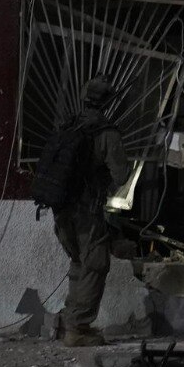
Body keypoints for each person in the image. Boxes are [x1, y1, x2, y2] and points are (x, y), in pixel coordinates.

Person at [51, 77, 130, 347]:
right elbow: (121, 175)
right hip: (86, 211)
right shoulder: (106, 133)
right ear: (108, 103)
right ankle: (78, 327)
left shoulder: (69, 126)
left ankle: (70, 320)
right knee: (96, 263)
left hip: (60, 209)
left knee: (78, 261)